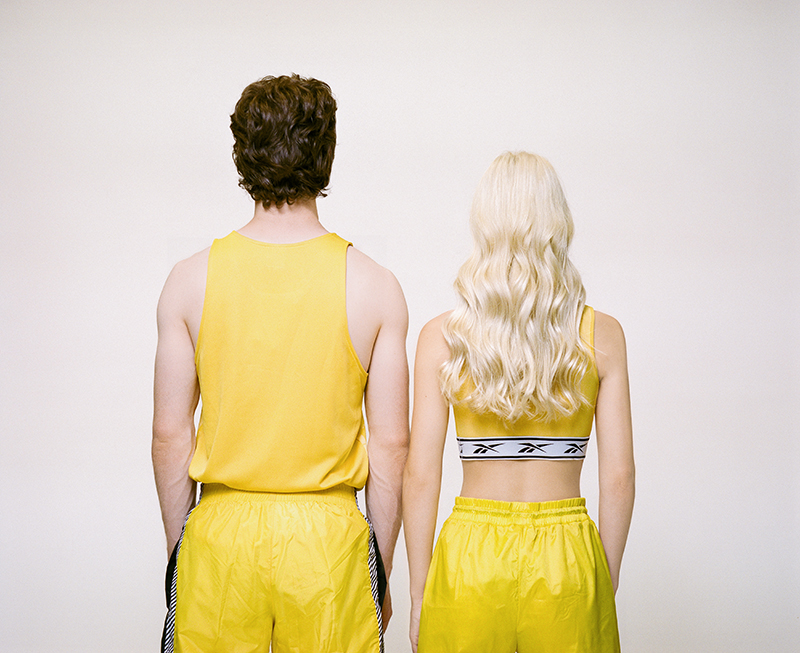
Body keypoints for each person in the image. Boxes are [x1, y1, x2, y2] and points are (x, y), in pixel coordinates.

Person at [152, 74, 409, 653]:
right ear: (327, 152)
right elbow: (392, 445)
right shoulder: (375, 285)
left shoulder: (188, 280)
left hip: (220, 535)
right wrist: (380, 570)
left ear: (241, 153)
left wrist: (181, 556)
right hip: (330, 542)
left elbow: (170, 435)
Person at [403, 152, 634, 652]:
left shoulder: (441, 338)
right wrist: (604, 578)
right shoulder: (604, 335)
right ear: (558, 222)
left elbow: (420, 474)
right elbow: (618, 476)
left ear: (484, 223)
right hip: (567, 556)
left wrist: (418, 592)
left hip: (470, 557)